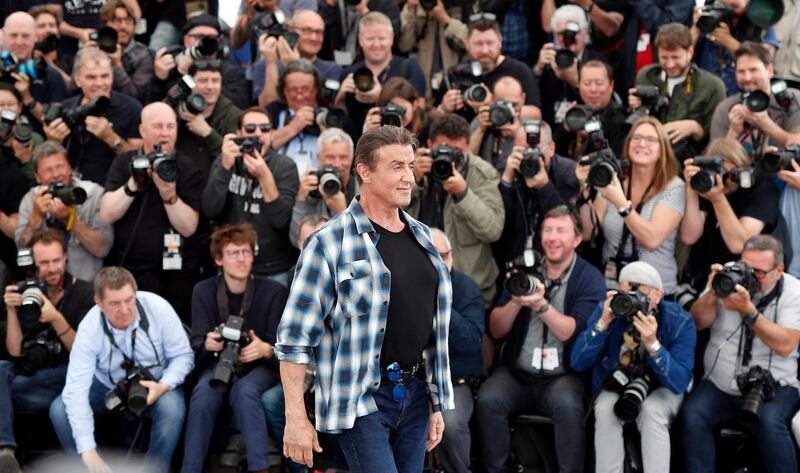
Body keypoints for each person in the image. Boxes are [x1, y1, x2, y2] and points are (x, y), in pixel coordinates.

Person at [275, 126, 454, 471]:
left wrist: (436, 404)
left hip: (415, 394)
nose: (408, 178)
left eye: (411, 166)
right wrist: (295, 418)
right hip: (360, 399)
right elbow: (294, 340)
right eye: (396, 167)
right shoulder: (327, 243)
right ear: (365, 172)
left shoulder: (423, 236)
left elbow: (430, 330)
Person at [478, 206, 606, 473]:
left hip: (563, 374)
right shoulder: (527, 269)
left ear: (577, 239)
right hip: (518, 372)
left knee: (567, 404)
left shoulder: (590, 278)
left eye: (561, 231)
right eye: (547, 230)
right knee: (489, 398)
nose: (553, 237)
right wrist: (516, 300)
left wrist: (540, 305)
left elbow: (571, 331)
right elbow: (496, 329)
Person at [49, 266, 193, 473]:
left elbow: (183, 356)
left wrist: (163, 385)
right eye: (115, 303)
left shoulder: (158, 308)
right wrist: (87, 449)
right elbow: (75, 391)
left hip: (157, 382)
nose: (124, 310)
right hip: (107, 385)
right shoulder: (89, 327)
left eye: (129, 300)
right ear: (99, 303)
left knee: (172, 409)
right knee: (59, 410)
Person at [680, 235, 800, 473]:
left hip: (775, 387)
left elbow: (786, 344)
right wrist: (713, 293)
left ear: (779, 269)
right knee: (692, 415)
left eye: (759, 272)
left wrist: (749, 311)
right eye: (746, 266)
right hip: (721, 384)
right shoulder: (728, 275)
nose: (750, 276)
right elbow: (697, 322)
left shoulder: (794, 291)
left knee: (769, 422)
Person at [182, 223, 289, 473]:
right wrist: (208, 344)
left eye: (246, 252)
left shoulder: (274, 291)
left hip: (260, 365)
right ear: (219, 259)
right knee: (203, 393)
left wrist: (264, 349)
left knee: (245, 390)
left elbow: (282, 349)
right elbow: (197, 344)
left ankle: (259, 468)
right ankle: (190, 468)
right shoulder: (204, 290)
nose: (242, 259)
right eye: (233, 253)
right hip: (219, 362)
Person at [571, 261, 696, 473]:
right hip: (618, 382)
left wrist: (654, 345)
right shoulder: (608, 311)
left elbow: (680, 382)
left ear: (658, 296)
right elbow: (578, 362)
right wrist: (602, 324)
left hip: (661, 387)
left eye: (640, 294)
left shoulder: (679, 321)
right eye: (627, 293)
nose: (631, 302)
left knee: (652, 411)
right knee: (604, 409)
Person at [99, 102, 205, 322]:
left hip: (176, 277)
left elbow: (188, 227)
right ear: (142, 131)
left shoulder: (187, 167)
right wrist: (134, 183)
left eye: (170, 127)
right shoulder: (124, 163)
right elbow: (107, 214)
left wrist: (170, 195)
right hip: (131, 274)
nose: (165, 133)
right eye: (158, 127)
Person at [0, 229, 94, 473]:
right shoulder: (26, 292)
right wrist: (11, 310)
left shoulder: (84, 292)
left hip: (68, 377)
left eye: (55, 261)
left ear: (65, 258)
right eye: (43, 262)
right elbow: (15, 352)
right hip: (32, 382)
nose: (51, 268)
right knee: (1, 368)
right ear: (33, 263)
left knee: (8, 388)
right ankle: (5, 452)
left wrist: (55, 318)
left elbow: (83, 354)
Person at [577, 117, 685, 296]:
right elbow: (588, 232)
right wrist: (584, 186)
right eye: (636, 138)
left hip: (655, 293)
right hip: (612, 289)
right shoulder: (614, 180)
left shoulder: (674, 186)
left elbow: (652, 240)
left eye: (650, 140)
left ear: (662, 150)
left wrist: (620, 203)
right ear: (627, 145)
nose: (642, 144)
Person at [406, 113, 505, 307]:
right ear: (429, 144)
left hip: (467, 286)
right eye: (442, 150)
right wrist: (412, 180)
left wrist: (463, 194)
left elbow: (493, 230)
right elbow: (387, 218)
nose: (448, 158)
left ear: (468, 147)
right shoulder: (412, 169)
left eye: (456, 152)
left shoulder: (482, 174)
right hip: (417, 280)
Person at [203, 107, 300, 285]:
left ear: (271, 134)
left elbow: (281, 220)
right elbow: (210, 208)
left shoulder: (285, 166)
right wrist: (225, 167)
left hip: (273, 268)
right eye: (250, 129)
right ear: (238, 133)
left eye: (264, 129)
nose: (257, 134)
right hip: (232, 265)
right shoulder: (226, 160)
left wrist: (264, 176)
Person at [681, 137, 779, 290]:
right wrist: (692, 187)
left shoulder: (762, 189)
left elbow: (739, 244)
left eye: (728, 174)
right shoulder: (706, 185)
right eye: (717, 173)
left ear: (743, 169)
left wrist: (718, 199)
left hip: (744, 281)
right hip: (704, 277)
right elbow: (689, 236)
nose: (722, 180)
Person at [428, 227, 485, 473]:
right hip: (411, 380)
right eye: (432, 256)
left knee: (449, 423)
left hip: (454, 381)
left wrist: (441, 305)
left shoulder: (465, 287)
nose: (441, 262)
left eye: (445, 256)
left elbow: (472, 341)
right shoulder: (400, 285)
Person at [15, 141, 112, 283]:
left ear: (70, 168)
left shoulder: (92, 193)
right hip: (45, 284)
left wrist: (70, 220)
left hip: (85, 284)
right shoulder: (31, 199)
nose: (56, 175)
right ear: (37, 176)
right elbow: (22, 250)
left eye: (60, 167)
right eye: (48, 170)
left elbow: (102, 248)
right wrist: (36, 216)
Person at [44, 49, 142, 186]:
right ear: (78, 80)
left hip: (112, 188)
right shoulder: (66, 108)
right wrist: (53, 142)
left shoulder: (131, 108)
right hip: (71, 188)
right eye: (91, 77)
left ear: (112, 77)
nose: (99, 83)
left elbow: (139, 160)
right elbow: (49, 160)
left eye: (104, 76)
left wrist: (112, 138)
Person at [628, 23, 727, 156]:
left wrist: (695, 128)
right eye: (664, 57)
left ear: (690, 52)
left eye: (675, 57)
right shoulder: (646, 76)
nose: (670, 64)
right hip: (649, 154)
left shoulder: (712, 86)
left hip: (689, 160)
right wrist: (635, 107)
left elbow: (717, 140)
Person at [495, 120, 580, 267]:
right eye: (523, 150)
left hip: (554, 262)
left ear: (552, 148)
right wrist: (507, 181)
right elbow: (497, 225)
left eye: (536, 150)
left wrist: (545, 187)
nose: (530, 157)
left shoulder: (569, 173)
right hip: (511, 261)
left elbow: (571, 224)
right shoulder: (505, 170)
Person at [336, 12, 427, 140]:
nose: (376, 44)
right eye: (370, 39)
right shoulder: (350, 73)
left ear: (391, 38)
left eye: (381, 38)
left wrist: (382, 97)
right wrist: (340, 98)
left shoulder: (409, 68)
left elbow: (420, 113)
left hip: (399, 141)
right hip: (358, 143)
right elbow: (341, 120)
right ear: (360, 40)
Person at [439, 16, 541, 121]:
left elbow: (535, 114)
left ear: (500, 41)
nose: (485, 50)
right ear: (467, 43)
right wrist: (443, 108)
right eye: (478, 44)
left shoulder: (519, 70)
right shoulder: (455, 74)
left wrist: (493, 105)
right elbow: (430, 114)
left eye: (490, 43)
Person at [709, 41, 800, 150]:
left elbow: (797, 145)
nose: (747, 77)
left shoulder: (793, 99)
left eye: (753, 70)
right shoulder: (725, 108)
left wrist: (766, 124)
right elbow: (715, 159)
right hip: (741, 166)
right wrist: (733, 131)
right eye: (741, 71)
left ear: (769, 70)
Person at [151, 13, 250, 110]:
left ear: (219, 42)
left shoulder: (230, 71)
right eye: (199, 37)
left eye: (212, 38)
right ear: (186, 40)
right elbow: (161, 106)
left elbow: (240, 104)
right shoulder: (173, 66)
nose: (205, 43)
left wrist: (193, 77)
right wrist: (159, 79)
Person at [254, 10, 343, 106]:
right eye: (307, 30)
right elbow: (267, 108)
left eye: (319, 32)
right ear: (291, 31)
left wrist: (293, 66)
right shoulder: (266, 65)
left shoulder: (332, 69)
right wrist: (271, 64)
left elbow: (320, 109)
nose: (314, 37)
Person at [692, 0, 780, 96]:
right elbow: (681, 54)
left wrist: (729, 42)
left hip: (742, 96)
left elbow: (766, 61)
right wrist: (697, 26)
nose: (729, 12)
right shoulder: (708, 16)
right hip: (705, 96)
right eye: (723, 5)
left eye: (734, 7)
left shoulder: (760, 22)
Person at [534, 5, 603, 126]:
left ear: (585, 33)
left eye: (572, 33)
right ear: (554, 35)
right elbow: (533, 98)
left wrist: (576, 82)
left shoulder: (597, 62)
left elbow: (603, 105)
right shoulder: (549, 59)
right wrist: (538, 69)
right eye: (562, 34)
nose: (567, 39)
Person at [289, 127, 357, 247]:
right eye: (330, 157)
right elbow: (297, 240)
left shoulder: (363, 188)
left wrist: (341, 212)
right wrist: (301, 199)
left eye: (343, 157)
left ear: (352, 158)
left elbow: (362, 243)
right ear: (318, 158)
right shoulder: (312, 187)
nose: (337, 164)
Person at [174, 59, 241, 177]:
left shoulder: (233, 115)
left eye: (215, 81)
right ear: (190, 84)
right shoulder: (179, 108)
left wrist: (208, 133)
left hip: (215, 185)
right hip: (181, 182)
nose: (210, 87)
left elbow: (236, 160)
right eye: (203, 81)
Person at [553, 60, 629, 159]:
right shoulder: (576, 114)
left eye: (599, 83)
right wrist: (566, 128)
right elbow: (554, 154)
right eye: (587, 83)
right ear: (579, 85)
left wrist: (591, 137)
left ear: (611, 86)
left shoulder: (621, 120)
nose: (593, 89)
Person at [2, 12, 67, 124]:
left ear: (36, 37)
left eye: (25, 36)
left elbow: (55, 124)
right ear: (3, 36)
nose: (19, 42)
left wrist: (28, 98)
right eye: (13, 35)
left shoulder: (51, 76)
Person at [398, 0, 468, 101]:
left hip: (456, 92)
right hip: (424, 94)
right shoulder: (418, 8)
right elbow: (404, 45)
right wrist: (410, 10)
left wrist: (445, 19)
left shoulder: (466, 6)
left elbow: (471, 42)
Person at [266, 59, 323, 175]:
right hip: (280, 180)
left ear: (316, 90)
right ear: (284, 92)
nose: (299, 95)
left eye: (305, 89)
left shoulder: (327, 115)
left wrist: (324, 131)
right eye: (293, 89)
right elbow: (261, 144)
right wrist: (293, 127)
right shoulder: (273, 111)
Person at [97, 0, 154, 103]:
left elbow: (135, 98)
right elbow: (74, 90)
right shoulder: (92, 50)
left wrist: (117, 65)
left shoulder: (143, 55)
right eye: (117, 20)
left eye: (128, 20)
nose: (123, 26)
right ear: (105, 23)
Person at [469, 76, 527, 169]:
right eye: (503, 104)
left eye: (514, 105)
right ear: (493, 99)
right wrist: (480, 130)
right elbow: (467, 161)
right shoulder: (482, 120)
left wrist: (519, 135)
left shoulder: (529, 127)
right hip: (486, 181)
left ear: (523, 98)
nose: (508, 110)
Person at [0, 82, 44, 186]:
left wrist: (26, 160)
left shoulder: (33, 139)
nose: (6, 109)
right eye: (0, 105)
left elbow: (39, 184)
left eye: (10, 104)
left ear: (19, 107)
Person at [363, 77, 430, 144]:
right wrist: (368, 135)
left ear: (414, 105)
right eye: (390, 109)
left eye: (401, 110)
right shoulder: (377, 124)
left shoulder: (427, 130)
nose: (395, 115)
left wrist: (401, 136)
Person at [29, 5, 72, 90]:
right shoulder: (26, 61)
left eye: (52, 25)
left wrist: (49, 64)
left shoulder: (70, 61)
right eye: (41, 26)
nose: (48, 30)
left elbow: (74, 89)